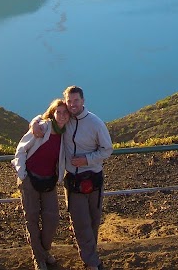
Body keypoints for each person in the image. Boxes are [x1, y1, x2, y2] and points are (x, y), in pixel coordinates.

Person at [32, 85, 113, 270]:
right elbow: (45, 117)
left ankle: (87, 251)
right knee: (81, 222)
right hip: (73, 180)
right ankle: (92, 262)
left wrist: (86, 159)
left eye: (76, 100)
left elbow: (107, 149)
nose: (72, 104)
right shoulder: (64, 119)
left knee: (93, 221)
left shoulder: (95, 123)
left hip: (94, 178)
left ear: (83, 101)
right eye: (69, 101)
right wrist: (34, 123)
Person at [13, 98, 70, 270]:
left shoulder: (67, 131)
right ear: (52, 113)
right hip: (30, 179)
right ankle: (39, 258)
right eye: (57, 112)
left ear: (69, 115)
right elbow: (21, 149)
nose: (61, 115)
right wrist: (22, 175)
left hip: (49, 181)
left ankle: (43, 251)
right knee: (31, 218)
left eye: (64, 112)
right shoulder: (43, 128)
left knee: (52, 219)